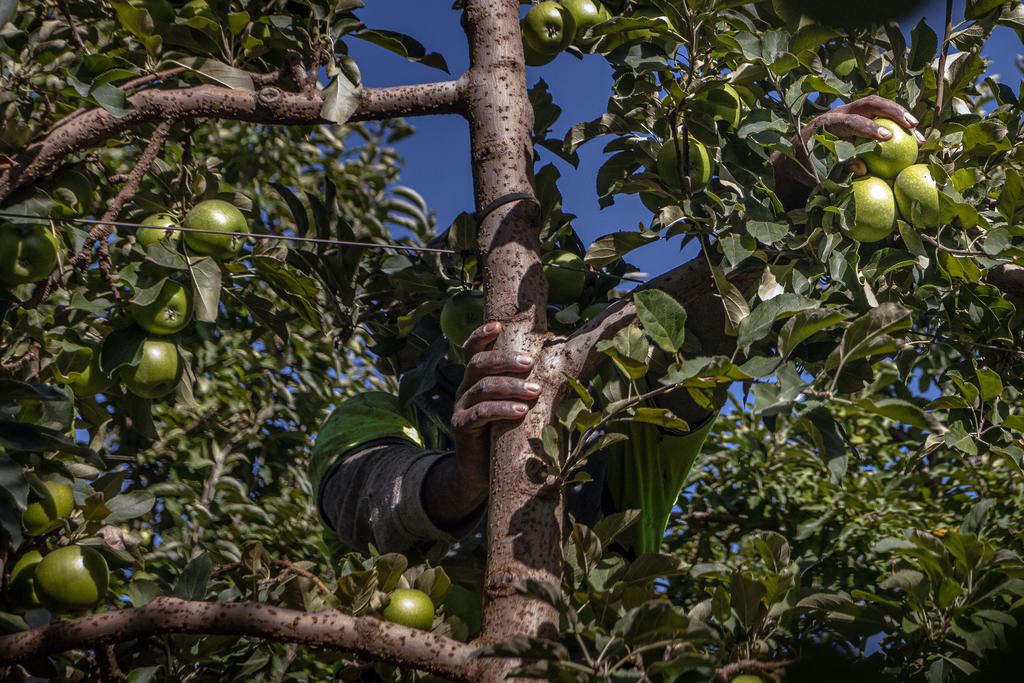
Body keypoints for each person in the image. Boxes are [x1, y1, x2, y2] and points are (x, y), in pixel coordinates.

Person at [311, 95, 924, 564]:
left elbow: (707, 323)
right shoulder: (373, 415)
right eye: (462, 304)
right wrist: (465, 475)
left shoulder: (627, 397)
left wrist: (792, 188)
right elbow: (363, 497)